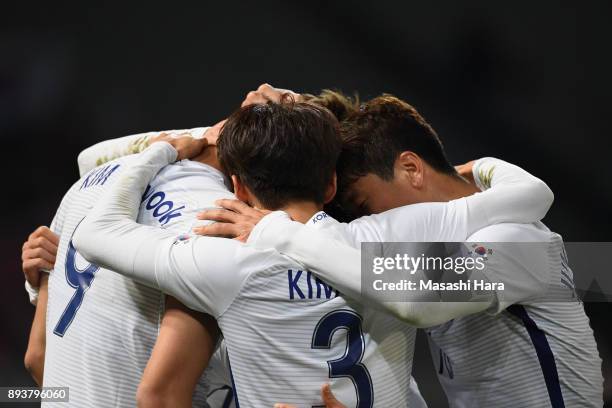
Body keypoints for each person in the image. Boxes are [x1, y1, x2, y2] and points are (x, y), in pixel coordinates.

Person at [72, 100, 553, 407]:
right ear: (328, 185)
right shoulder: (384, 239)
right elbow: (532, 196)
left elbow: (95, 227)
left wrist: (168, 151)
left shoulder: (222, 262)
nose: (356, 211)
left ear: (238, 186)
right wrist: (481, 169)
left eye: (359, 204)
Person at [205, 95, 603, 407]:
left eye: (364, 206)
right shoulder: (435, 247)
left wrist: (280, 233)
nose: (367, 223)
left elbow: (414, 300)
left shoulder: (519, 240)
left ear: (410, 168)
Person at [21, 123, 238, 407]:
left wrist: (47, 281)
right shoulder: (216, 225)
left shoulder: (86, 186)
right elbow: (161, 396)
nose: (262, 88)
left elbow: (37, 359)